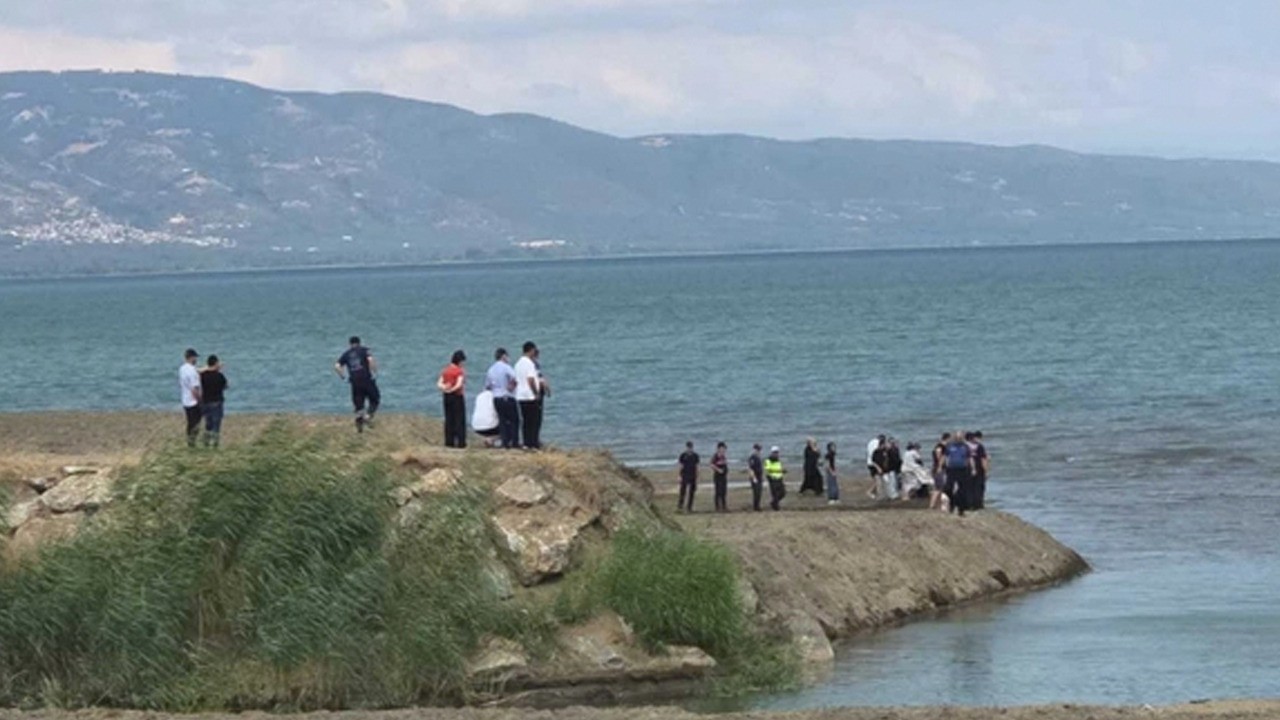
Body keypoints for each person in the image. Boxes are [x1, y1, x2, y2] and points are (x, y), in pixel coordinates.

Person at [335, 336, 380, 433]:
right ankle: (368, 417)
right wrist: (375, 372)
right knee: (375, 399)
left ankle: (360, 432)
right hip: (366, 379)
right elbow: (370, 360)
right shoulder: (364, 350)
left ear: (350, 344)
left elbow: (337, 366)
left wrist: (343, 377)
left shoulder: (346, 354)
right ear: (359, 343)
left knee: (359, 406)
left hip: (354, 382)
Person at [485, 348, 520, 449]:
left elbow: (487, 386)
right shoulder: (506, 367)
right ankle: (514, 443)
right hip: (507, 396)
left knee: (502, 420)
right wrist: (511, 387)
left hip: (496, 398)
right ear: (503, 356)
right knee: (514, 420)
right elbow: (515, 378)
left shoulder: (490, 369)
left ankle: (505, 443)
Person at [514, 341, 543, 450]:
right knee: (533, 421)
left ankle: (526, 443)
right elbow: (530, 380)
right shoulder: (529, 363)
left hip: (520, 395)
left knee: (525, 421)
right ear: (531, 351)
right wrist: (536, 393)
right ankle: (533, 443)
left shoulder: (517, 364)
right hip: (529, 395)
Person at [437, 350, 467, 448]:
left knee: (449, 419)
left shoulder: (446, 370)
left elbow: (439, 383)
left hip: (446, 396)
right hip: (457, 396)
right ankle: (461, 442)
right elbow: (459, 384)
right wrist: (452, 390)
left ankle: (449, 441)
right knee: (459, 419)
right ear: (460, 361)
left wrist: (445, 388)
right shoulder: (459, 371)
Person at [944, 429, 975, 516]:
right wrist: (942, 467)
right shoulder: (950, 446)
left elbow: (970, 458)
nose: (959, 438)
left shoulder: (965, 447)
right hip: (951, 469)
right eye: (957, 437)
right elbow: (945, 457)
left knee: (963, 490)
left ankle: (961, 509)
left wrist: (973, 469)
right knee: (949, 488)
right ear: (954, 438)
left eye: (960, 437)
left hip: (963, 470)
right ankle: (951, 506)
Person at [199, 354, 228, 449]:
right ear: (216, 363)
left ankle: (206, 443)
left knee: (208, 424)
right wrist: (218, 369)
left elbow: (197, 371)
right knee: (216, 424)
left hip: (205, 402)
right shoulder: (220, 376)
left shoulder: (203, 376)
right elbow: (226, 386)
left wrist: (208, 368)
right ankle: (215, 444)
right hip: (217, 402)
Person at [178, 348, 202, 448]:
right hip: (193, 401)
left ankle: (190, 442)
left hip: (185, 400)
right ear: (192, 357)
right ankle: (192, 442)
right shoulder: (192, 371)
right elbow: (194, 388)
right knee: (195, 423)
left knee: (190, 422)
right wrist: (200, 400)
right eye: (195, 357)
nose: (196, 359)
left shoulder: (182, 368)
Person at [930, 432, 951, 511]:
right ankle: (932, 505)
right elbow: (939, 455)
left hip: (938, 468)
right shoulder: (941, 446)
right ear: (947, 438)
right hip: (939, 468)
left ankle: (937, 505)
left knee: (940, 487)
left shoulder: (941, 446)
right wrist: (940, 465)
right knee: (938, 487)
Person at [677, 441, 700, 513]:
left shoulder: (695, 456)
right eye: (688, 447)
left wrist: (697, 477)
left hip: (693, 475)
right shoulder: (683, 455)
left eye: (691, 447)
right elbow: (681, 466)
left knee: (692, 492)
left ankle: (689, 507)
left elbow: (697, 467)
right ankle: (680, 506)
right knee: (682, 491)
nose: (689, 449)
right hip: (685, 475)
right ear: (686, 448)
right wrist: (679, 476)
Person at [971, 430, 990, 509]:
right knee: (980, 487)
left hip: (970, 469)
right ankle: (979, 504)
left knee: (972, 487)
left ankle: (971, 503)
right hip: (979, 469)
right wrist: (986, 471)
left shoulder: (968, 446)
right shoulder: (980, 446)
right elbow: (983, 460)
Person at [764, 446, 787, 511]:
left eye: (777, 452)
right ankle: (775, 506)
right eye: (775, 452)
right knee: (775, 494)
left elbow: (779, 468)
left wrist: (781, 472)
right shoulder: (768, 460)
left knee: (783, 493)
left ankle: (774, 503)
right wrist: (780, 471)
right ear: (772, 453)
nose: (776, 454)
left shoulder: (778, 460)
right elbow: (769, 470)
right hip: (773, 478)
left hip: (779, 478)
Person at [710, 442, 729, 512]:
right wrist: (718, 470)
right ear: (719, 449)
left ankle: (724, 506)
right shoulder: (715, 456)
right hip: (718, 476)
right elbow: (711, 464)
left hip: (724, 476)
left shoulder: (723, 456)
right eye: (722, 449)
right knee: (718, 491)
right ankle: (717, 507)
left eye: (724, 449)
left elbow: (725, 464)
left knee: (724, 491)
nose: (723, 450)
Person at [865, 434, 885, 499]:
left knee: (876, 480)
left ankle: (874, 494)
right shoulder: (877, 443)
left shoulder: (870, 442)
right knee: (878, 480)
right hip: (874, 463)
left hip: (869, 463)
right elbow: (876, 453)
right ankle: (870, 492)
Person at [746, 444, 764, 512]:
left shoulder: (758, 457)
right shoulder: (752, 458)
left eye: (759, 450)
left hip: (759, 477)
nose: (759, 451)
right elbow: (751, 469)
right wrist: (754, 478)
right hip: (754, 477)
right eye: (757, 450)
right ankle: (756, 506)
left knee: (759, 492)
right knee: (756, 492)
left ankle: (757, 505)